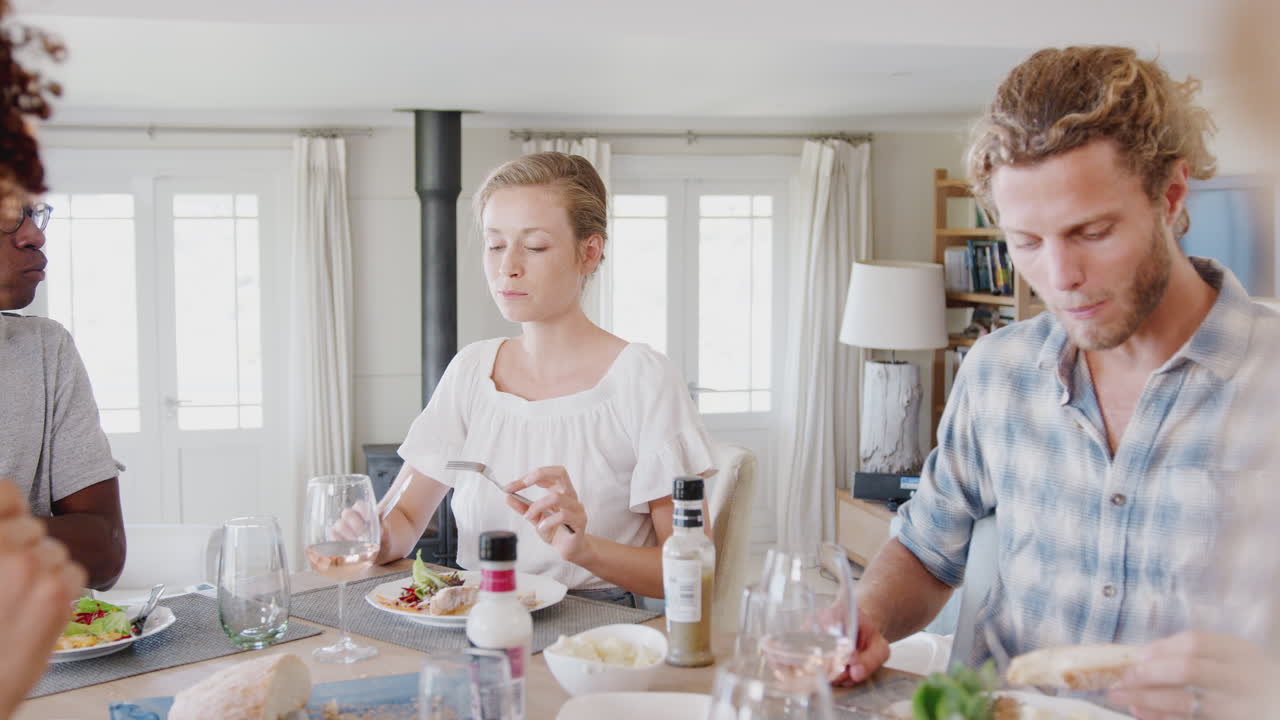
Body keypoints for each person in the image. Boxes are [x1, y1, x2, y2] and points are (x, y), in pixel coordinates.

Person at [840, 45, 1280, 692]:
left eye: (1093, 232)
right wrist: (866, 616)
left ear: (1172, 194)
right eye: (1027, 243)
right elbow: (925, 551)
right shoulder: (997, 373)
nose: (1060, 278)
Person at [355, 152, 714, 604]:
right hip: (471, 616)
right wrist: (371, 537)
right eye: (495, 244)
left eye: (536, 246)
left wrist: (584, 550)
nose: (508, 266)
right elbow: (405, 519)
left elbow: (696, 570)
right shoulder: (471, 370)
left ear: (589, 252)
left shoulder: (643, 379)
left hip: (592, 634)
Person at [0, 3, 95, 715]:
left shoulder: (44, 348)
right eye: (9, 215)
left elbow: (103, 545)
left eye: (36, 211)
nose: (35, 238)